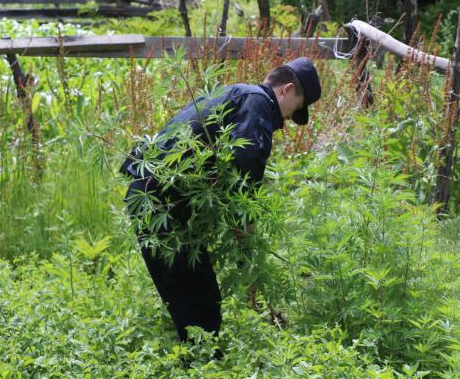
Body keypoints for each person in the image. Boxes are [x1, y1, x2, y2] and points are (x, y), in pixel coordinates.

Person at [121, 57, 321, 343]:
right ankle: (201, 371)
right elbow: (243, 190)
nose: (287, 121)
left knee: (190, 297)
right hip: (161, 201)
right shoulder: (258, 108)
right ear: (287, 90)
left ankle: (196, 362)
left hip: (150, 192)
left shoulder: (235, 94)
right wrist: (248, 257)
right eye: (295, 111)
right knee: (200, 307)